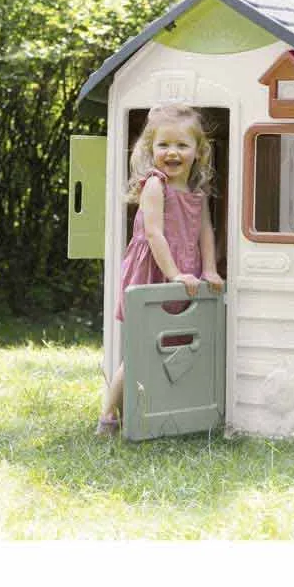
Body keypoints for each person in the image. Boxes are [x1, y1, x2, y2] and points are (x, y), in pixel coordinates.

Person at [96, 103, 224, 435]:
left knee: (175, 340)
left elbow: (205, 231)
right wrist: (175, 274)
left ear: (198, 151)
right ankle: (108, 417)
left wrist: (210, 269)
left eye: (182, 145)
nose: (172, 152)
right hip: (154, 270)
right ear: (150, 149)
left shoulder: (196, 191)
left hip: (185, 270)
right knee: (139, 348)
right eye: (163, 144)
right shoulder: (155, 185)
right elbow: (154, 234)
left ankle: (160, 408)